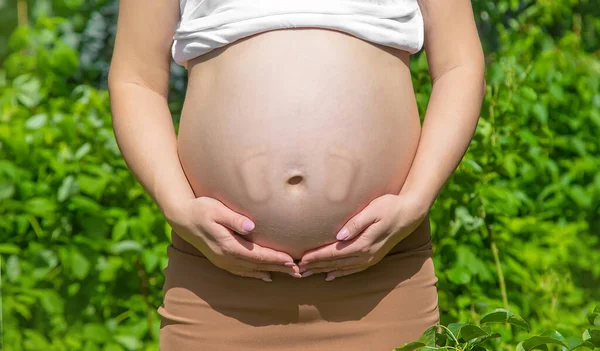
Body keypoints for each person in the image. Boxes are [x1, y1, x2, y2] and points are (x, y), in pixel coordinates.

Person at [108, 0, 486, 350]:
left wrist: (415, 201)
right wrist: (177, 206)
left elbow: (459, 64)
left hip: (383, 277)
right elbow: (136, 80)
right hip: (217, 284)